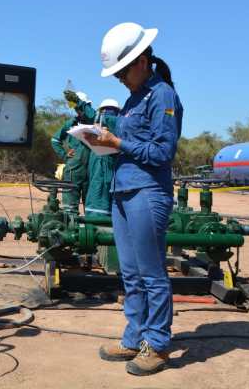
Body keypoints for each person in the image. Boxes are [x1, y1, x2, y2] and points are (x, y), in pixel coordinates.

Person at [84, 22, 183, 376]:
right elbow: (129, 146)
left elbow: (162, 152)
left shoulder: (162, 96)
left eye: (122, 71)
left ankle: (156, 344)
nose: (120, 78)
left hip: (147, 192)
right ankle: (133, 337)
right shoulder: (133, 98)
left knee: (151, 272)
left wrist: (118, 143)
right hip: (123, 191)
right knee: (130, 273)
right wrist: (99, 141)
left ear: (141, 60)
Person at [51, 91, 92, 214]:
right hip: (73, 171)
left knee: (90, 209)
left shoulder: (95, 123)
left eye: (80, 108)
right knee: (69, 210)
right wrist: (65, 154)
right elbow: (54, 140)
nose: (78, 111)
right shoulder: (70, 124)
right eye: (76, 109)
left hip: (90, 171)